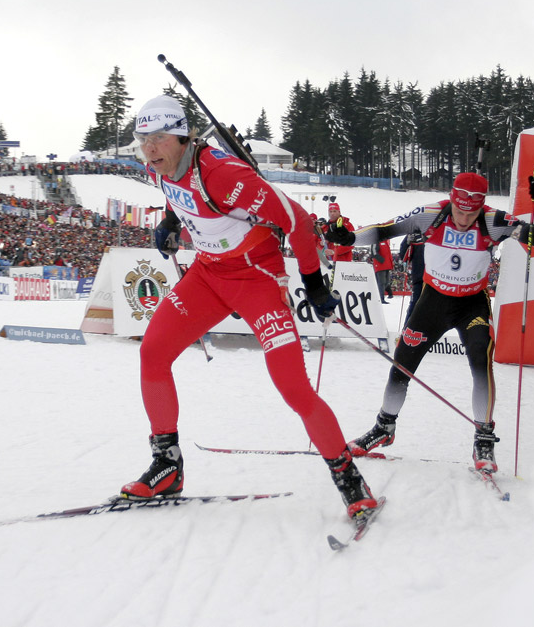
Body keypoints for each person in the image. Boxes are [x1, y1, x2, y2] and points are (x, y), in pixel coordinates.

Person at [120, 95, 379, 521]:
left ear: (183, 137)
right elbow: (177, 195)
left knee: (292, 387)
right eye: (142, 139)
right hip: (208, 275)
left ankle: (349, 478)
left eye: (159, 138)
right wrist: (169, 222)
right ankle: (167, 464)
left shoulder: (223, 174)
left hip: (256, 278)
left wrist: (314, 284)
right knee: (153, 352)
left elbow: (297, 220)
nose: (150, 149)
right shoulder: (160, 165)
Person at [325, 171, 534, 473]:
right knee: (401, 364)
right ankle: (384, 426)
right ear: (452, 200)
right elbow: (385, 230)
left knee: (480, 360)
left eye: (471, 212)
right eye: (460, 210)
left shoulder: (493, 220)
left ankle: (484, 437)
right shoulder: (431, 215)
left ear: (481, 206)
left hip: (471, 304)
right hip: (433, 301)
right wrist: (350, 237)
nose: (464, 218)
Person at [397, 230, 426, 325]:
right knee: (414, 308)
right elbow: (403, 255)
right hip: (419, 278)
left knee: (435, 309)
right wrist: (407, 243)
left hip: (437, 280)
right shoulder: (415, 232)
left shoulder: (440, 229)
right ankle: (405, 333)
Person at [372, 239, 394, 303]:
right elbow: (373, 252)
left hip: (386, 265)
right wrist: (381, 260)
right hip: (380, 265)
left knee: (386, 282)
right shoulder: (376, 240)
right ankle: (380, 299)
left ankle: (380, 297)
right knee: (382, 283)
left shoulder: (385, 241)